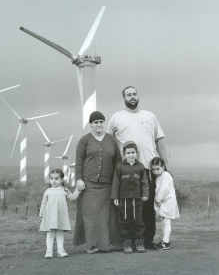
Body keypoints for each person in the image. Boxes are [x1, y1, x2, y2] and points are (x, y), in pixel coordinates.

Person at [107, 86, 170, 249]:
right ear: (123, 98)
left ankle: (147, 241)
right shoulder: (116, 118)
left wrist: (166, 166)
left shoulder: (150, 116)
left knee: (148, 208)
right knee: (128, 209)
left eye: (134, 94)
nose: (132, 97)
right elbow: (109, 145)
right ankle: (128, 240)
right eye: (129, 95)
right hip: (126, 171)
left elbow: (159, 142)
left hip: (149, 169)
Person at [73, 111, 122, 253]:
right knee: (90, 215)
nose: (99, 124)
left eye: (101, 122)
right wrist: (79, 179)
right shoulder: (84, 140)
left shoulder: (111, 140)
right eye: (96, 122)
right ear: (91, 124)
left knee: (106, 215)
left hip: (108, 184)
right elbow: (79, 161)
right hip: (88, 184)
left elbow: (118, 162)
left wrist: (117, 183)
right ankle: (91, 245)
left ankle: (105, 245)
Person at [111, 141, 149, 254]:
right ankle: (126, 242)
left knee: (138, 220)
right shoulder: (120, 166)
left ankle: (138, 241)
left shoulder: (140, 166)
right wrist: (115, 197)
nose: (131, 155)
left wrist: (145, 194)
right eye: (128, 153)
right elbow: (116, 183)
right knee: (124, 220)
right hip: (124, 199)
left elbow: (144, 182)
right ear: (124, 154)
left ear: (136, 153)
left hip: (137, 199)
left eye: (133, 152)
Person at [39, 169, 82, 259]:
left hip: (61, 216)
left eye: (56, 178)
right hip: (50, 216)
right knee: (50, 234)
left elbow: (72, 197)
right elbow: (43, 203)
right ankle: (49, 251)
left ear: (62, 180)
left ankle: (60, 250)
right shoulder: (48, 191)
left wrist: (78, 190)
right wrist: (41, 214)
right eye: (51, 178)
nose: (53, 181)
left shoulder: (64, 190)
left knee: (60, 233)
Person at [151, 157, 180, 250]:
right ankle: (165, 240)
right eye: (153, 169)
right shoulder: (160, 177)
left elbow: (164, 189)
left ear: (163, 167)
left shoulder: (166, 175)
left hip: (167, 202)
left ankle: (166, 242)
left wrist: (158, 200)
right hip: (164, 202)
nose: (155, 171)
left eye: (158, 169)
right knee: (164, 221)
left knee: (167, 221)